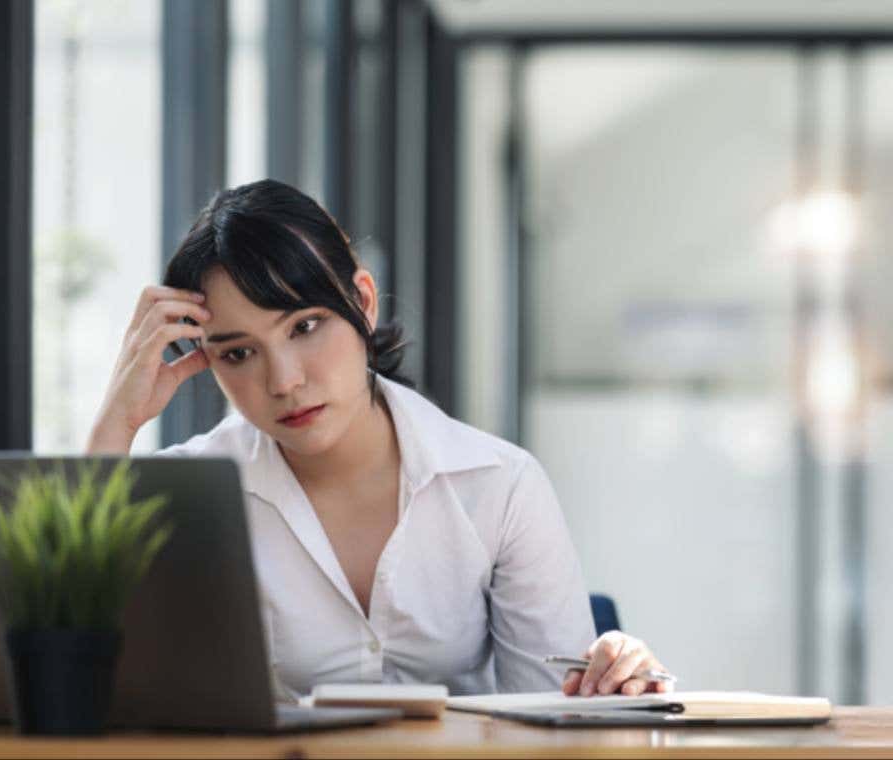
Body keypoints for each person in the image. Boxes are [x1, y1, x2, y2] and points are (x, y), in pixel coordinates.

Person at [87, 179, 670, 700]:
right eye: (238, 353)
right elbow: (71, 662)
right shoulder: (192, 491)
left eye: (305, 327)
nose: (284, 380)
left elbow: (551, 719)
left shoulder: (499, 485)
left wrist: (614, 680)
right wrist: (119, 420)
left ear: (362, 302)